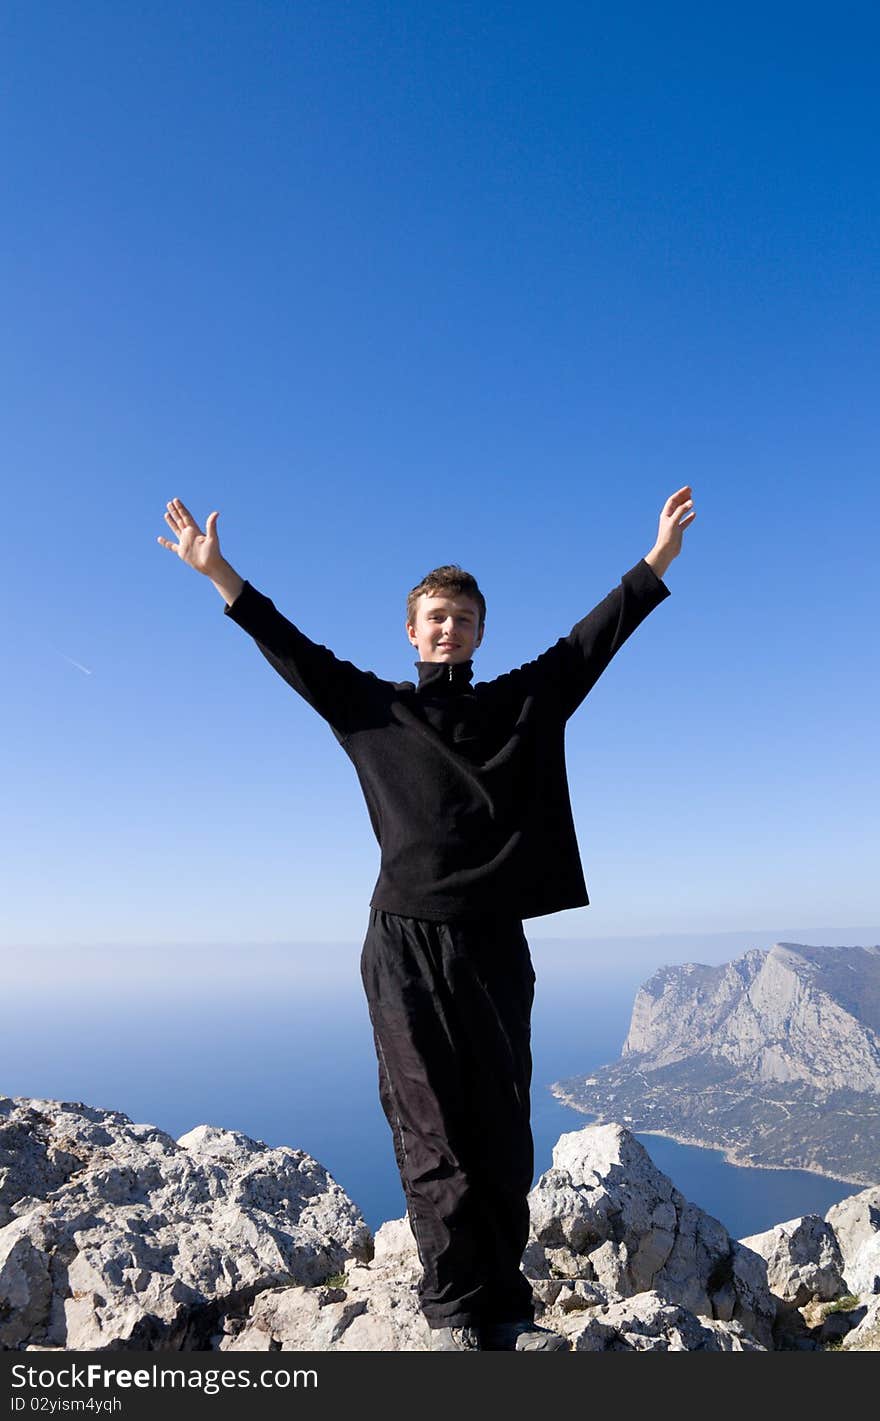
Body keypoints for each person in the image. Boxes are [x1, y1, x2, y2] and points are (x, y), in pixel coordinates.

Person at [157, 487, 696, 1351]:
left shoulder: (519, 704)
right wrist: (221, 575)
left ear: (481, 632)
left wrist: (657, 558)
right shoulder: (376, 710)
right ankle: (454, 1310)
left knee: (501, 1123)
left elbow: (589, 645)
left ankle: (504, 1298)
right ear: (412, 631)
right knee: (429, 1129)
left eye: (464, 618)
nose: (449, 629)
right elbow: (294, 653)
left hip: (493, 941)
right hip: (403, 945)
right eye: (436, 617)